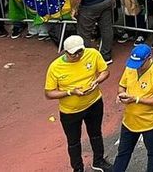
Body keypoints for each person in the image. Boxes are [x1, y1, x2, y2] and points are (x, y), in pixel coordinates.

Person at [44, 34, 111, 172]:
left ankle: (98, 161)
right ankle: (78, 168)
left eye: (80, 51)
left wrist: (97, 81)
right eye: (74, 54)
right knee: (74, 142)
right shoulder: (55, 67)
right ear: (66, 52)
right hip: (70, 112)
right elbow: (49, 93)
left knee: (96, 134)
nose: (78, 55)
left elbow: (105, 71)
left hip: (94, 102)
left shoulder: (92, 54)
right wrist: (70, 92)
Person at [113, 43, 153, 172]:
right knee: (123, 153)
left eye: (140, 64)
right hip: (129, 121)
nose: (136, 68)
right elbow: (122, 85)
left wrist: (136, 99)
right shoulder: (131, 66)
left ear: (149, 59)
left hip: (150, 123)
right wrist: (120, 94)